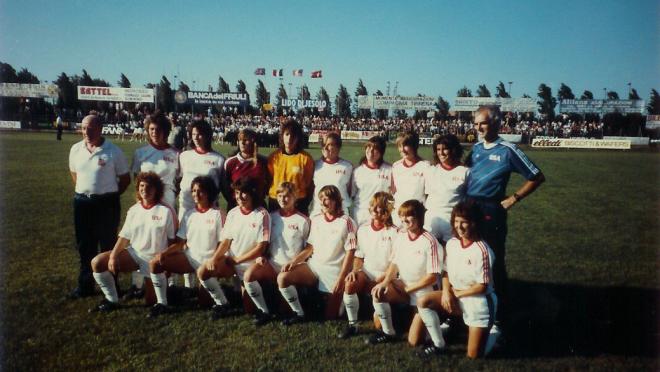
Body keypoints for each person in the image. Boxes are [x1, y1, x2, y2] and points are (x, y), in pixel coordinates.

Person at [465, 105, 545, 338]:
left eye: (484, 123)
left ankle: (499, 317)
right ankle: (472, 308)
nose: (479, 127)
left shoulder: (508, 149)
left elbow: (537, 176)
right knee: (469, 257)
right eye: (477, 123)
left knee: (493, 261)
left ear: (497, 123)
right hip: (470, 207)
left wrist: (513, 198)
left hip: (492, 208)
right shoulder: (477, 148)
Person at [414, 201, 496, 359]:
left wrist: (456, 294)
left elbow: (482, 286)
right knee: (423, 301)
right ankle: (439, 344)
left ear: (474, 223)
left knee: (474, 356)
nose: (459, 226)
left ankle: (494, 335)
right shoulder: (451, 244)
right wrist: (445, 292)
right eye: (456, 221)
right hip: (456, 295)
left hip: (478, 302)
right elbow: (445, 272)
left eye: (464, 222)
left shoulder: (483, 250)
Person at [89, 172, 177, 318]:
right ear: (138, 188)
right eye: (142, 186)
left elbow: (172, 242)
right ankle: (112, 300)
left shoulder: (166, 211)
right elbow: (124, 237)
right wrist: (113, 256)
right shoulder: (134, 210)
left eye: (149, 187)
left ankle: (165, 296)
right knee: (97, 262)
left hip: (155, 260)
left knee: (151, 301)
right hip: (135, 254)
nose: (145, 190)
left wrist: (166, 266)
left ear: (157, 190)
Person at [68, 114, 130, 299]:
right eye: (84, 127)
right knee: (84, 245)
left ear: (100, 129)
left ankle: (111, 288)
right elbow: (74, 175)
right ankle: (85, 285)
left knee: (108, 246)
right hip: (82, 203)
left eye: (91, 128)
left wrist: (109, 195)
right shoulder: (76, 149)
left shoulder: (113, 151)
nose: (86, 131)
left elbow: (125, 179)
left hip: (107, 204)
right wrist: (87, 192)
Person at [150, 176, 229, 319]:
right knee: (155, 263)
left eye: (200, 191)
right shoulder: (189, 214)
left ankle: (223, 304)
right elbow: (180, 242)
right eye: (193, 191)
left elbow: (223, 243)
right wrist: (165, 253)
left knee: (204, 302)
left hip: (209, 261)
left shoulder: (218, 214)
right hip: (190, 258)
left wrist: (214, 260)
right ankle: (162, 303)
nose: (196, 194)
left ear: (209, 192)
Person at [277, 185, 357, 325]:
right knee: (283, 277)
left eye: (328, 199)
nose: (324, 202)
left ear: (336, 201)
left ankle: (340, 300)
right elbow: (310, 247)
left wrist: (341, 277)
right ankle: (299, 313)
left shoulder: (347, 222)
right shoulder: (316, 218)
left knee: (331, 316)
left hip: (334, 271)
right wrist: (294, 262)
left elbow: (351, 252)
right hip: (314, 267)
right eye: (322, 199)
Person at [198, 178, 271, 325]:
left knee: (249, 309)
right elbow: (226, 241)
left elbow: (260, 247)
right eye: (237, 193)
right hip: (231, 262)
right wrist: (215, 258)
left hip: (249, 264)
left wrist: (238, 260)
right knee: (203, 271)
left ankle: (265, 312)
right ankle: (222, 304)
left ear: (252, 194)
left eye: (244, 193)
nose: (239, 197)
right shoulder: (232, 213)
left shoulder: (262, 214)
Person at [368, 200, 441, 345]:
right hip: (404, 287)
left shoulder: (430, 241)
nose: (404, 220)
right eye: (401, 216)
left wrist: (409, 289)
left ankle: (436, 323)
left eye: (408, 216)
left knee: (415, 341)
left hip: (423, 292)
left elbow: (432, 277)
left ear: (419, 217)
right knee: (377, 292)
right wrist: (385, 282)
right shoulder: (401, 236)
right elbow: (394, 264)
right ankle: (389, 333)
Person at [241, 182, 310, 323]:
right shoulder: (270, 216)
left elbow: (308, 249)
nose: (283, 199)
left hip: (292, 267)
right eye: (279, 196)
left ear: (295, 197)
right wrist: (262, 256)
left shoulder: (303, 220)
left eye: (287, 196)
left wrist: (294, 262)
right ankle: (264, 312)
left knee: (284, 309)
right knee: (249, 275)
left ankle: (299, 314)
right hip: (272, 265)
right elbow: (264, 242)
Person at [338, 191, 397, 339]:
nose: (377, 212)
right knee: (349, 283)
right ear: (370, 208)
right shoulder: (363, 229)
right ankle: (353, 325)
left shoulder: (395, 232)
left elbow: (395, 263)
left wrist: (384, 279)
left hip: (386, 277)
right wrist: (355, 270)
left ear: (388, 212)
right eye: (375, 207)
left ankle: (388, 330)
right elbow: (359, 256)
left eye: (382, 209)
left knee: (378, 323)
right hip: (367, 272)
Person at [424, 134, 468, 245]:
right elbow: (427, 195)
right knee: (431, 254)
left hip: (452, 220)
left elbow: (469, 200)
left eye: (445, 149)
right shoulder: (431, 170)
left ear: (453, 150)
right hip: (431, 219)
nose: (441, 153)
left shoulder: (465, 171)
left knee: (450, 256)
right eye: (438, 149)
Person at [178, 119, 225, 222]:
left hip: (209, 209)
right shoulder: (184, 156)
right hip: (186, 206)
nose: (195, 137)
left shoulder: (219, 159)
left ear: (207, 136)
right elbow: (179, 180)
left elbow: (222, 186)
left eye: (199, 134)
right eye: (193, 134)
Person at [131, 111, 180, 208]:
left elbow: (180, 181)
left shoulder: (177, 154)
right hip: (146, 201)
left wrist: (171, 195)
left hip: (167, 202)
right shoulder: (140, 153)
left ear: (165, 131)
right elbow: (137, 178)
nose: (154, 132)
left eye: (158, 129)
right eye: (152, 129)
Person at [267, 119, 314, 215]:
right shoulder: (274, 157)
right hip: (276, 202)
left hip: (298, 203)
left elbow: (309, 184)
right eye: (287, 134)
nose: (289, 139)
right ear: (282, 136)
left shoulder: (306, 159)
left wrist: (303, 202)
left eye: (293, 136)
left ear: (298, 138)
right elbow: (268, 180)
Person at [223, 128, 270, 211]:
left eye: (246, 140)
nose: (242, 143)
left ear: (254, 142)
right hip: (236, 207)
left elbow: (269, 184)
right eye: (240, 140)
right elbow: (225, 187)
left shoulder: (264, 162)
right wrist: (235, 200)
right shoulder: (230, 162)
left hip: (258, 207)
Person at [350, 136, 392, 226]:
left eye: (375, 148)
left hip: (381, 216)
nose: (371, 151)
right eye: (369, 147)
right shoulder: (357, 171)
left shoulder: (390, 170)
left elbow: (393, 195)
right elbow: (353, 195)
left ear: (381, 152)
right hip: (361, 216)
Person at [309, 132, 353, 216]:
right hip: (319, 211)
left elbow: (350, 190)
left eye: (331, 144)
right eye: (325, 144)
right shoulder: (315, 165)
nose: (327, 148)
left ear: (338, 147)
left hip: (341, 211)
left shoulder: (347, 166)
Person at [391, 131, 430, 226]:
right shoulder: (396, 166)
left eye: (405, 146)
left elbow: (429, 195)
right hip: (398, 216)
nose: (402, 150)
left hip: (416, 216)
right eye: (400, 146)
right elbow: (393, 191)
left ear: (414, 146)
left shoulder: (426, 166)